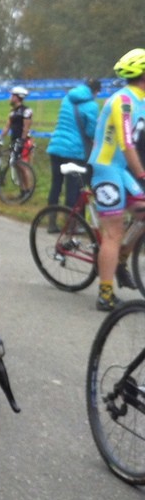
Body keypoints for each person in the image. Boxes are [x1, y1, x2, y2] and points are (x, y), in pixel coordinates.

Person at [88, 49, 145, 312]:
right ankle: (105, 293)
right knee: (114, 232)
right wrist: (143, 174)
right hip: (105, 168)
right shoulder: (122, 100)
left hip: (122, 169)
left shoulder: (142, 99)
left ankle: (120, 260)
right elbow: (127, 144)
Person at [45, 78, 101, 212]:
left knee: (56, 185)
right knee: (73, 188)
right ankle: (72, 223)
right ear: (95, 91)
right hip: (74, 151)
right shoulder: (92, 106)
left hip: (56, 146)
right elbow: (90, 132)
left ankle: (50, 221)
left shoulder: (67, 99)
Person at [0, 85, 34, 193]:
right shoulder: (12, 112)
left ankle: (28, 189)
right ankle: (22, 190)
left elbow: (26, 127)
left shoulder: (26, 111)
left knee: (23, 166)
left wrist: (22, 140)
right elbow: (7, 126)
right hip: (14, 141)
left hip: (24, 141)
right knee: (16, 166)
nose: (10, 98)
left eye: (12, 95)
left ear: (17, 97)